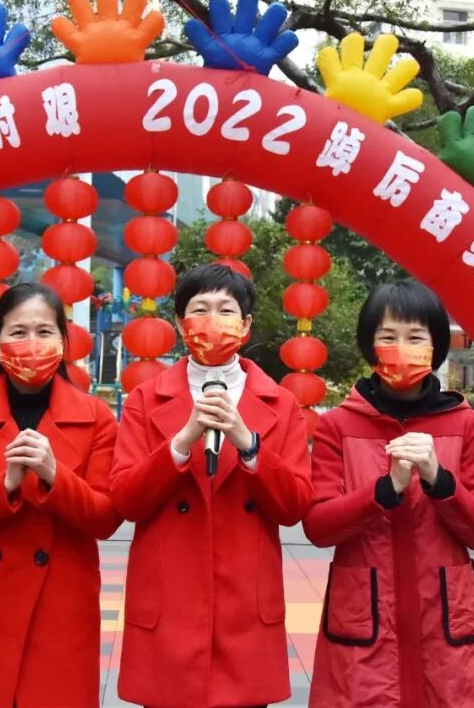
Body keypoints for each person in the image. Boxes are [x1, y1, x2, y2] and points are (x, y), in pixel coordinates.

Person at [111, 264, 313, 708]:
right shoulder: (146, 400)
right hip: (169, 605)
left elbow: (295, 505)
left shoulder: (281, 404)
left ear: (246, 324)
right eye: (199, 309)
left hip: (245, 607)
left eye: (226, 310)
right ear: (180, 322)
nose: (212, 321)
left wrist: (248, 444)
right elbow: (125, 499)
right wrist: (181, 443)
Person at [303, 280, 474, 708]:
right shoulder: (337, 426)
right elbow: (319, 527)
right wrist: (385, 490)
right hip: (364, 622)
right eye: (388, 337)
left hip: (447, 619)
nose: (401, 349)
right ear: (369, 344)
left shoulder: (465, 424)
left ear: (436, 346)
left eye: (415, 337)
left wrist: (439, 480)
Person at [0, 283, 121, 708]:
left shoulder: (96, 417)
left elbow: (106, 517)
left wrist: (54, 475)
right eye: (18, 332)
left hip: (61, 607)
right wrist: (4, 485)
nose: (32, 343)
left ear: (64, 341)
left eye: (44, 331)